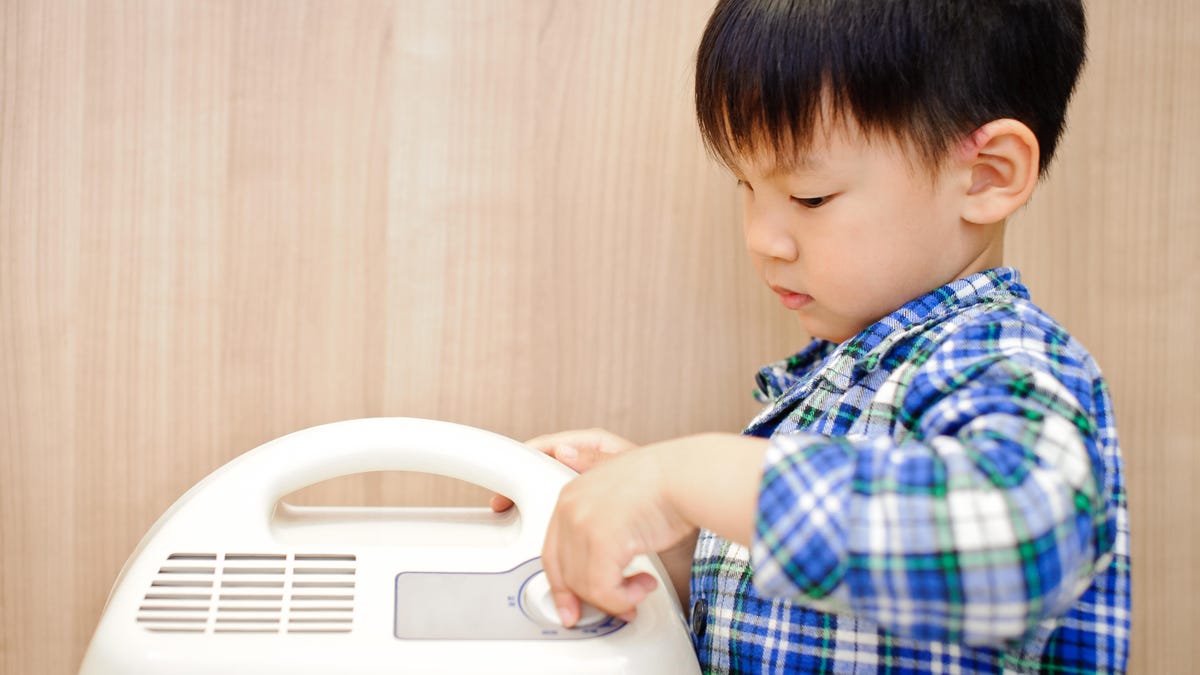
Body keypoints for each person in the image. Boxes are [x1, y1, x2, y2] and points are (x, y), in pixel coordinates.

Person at [492, 0, 1130, 671]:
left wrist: (685, 476)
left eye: (809, 196)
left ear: (987, 175)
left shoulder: (1001, 354)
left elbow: (1018, 547)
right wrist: (678, 540)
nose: (761, 239)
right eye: (746, 184)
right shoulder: (846, 379)